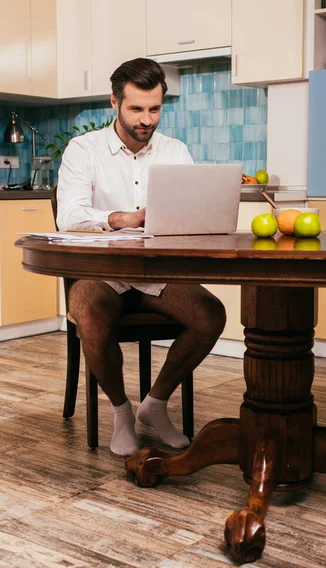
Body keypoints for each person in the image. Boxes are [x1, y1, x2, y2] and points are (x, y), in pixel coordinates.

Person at [57, 58, 226, 456]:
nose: (146, 119)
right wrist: (122, 218)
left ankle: (155, 405)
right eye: (136, 108)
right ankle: (120, 412)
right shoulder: (83, 150)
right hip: (100, 273)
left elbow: (193, 216)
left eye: (154, 109)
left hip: (157, 274)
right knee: (91, 315)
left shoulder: (176, 151)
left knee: (210, 315)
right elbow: (69, 216)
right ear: (113, 102)